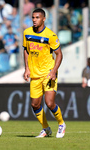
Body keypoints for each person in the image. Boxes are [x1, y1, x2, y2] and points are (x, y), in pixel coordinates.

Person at [23, 8, 66, 138]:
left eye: (37, 17)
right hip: (35, 74)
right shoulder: (27, 33)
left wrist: (54, 71)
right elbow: (26, 50)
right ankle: (45, 128)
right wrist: (27, 68)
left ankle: (61, 124)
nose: (34, 20)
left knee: (49, 103)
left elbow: (59, 55)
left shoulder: (50, 35)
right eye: (33, 17)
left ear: (43, 19)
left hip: (48, 73)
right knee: (34, 104)